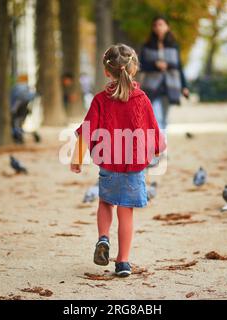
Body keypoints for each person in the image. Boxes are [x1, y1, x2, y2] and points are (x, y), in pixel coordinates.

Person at [70, 44, 166, 277]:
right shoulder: (142, 99)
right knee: (126, 212)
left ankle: (103, 238)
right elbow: (154, 133)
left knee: (105, 202)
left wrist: (77, 157)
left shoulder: (101, 99)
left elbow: (87, 129)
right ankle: (123, 262)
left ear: (106, 72)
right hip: (134, 167)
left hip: (109, 164)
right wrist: (157, 150)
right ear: (133, 70)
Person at [139, 16, 190, 133]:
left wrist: (184, 86)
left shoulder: (174, 45)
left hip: (170, 85)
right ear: (152, 28)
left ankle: (162, 147)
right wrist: (155, 65)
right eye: (156, 25)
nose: (158, 27)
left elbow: (179, 67)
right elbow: (140, 65)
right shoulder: (147, 46)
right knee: (157, 117)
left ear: (167, 27)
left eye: (161, 24)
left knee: (165, 119)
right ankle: (159, 147)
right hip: (152, 86)